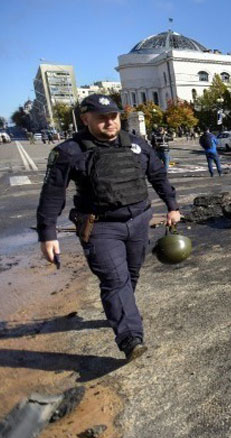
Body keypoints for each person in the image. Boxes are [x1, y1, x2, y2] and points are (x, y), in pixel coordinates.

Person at [36, 94, 180, 361]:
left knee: (131, 274)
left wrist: (172, 205)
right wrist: (48, 233)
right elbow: (53, 193)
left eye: (113, 116)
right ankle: (130, 338)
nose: (109, 122)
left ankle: (121, 311)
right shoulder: (69, 152)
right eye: (101, 118)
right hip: (100, 227)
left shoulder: (136, 145)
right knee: (115, 280)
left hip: (139, 222)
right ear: (85, 119)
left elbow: (158, 175)